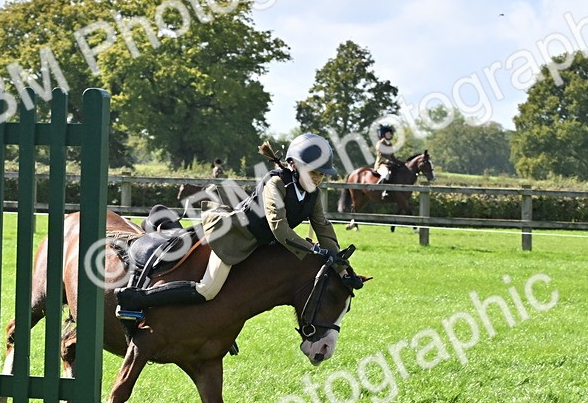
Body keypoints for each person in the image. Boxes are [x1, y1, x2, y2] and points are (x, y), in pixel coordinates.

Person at [116, 133, 343, 313]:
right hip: (234, 235)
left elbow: (322, 226)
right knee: (208, 289)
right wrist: (312, 249)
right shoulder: (276, 183)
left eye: (322, 175)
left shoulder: (312, 194)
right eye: (313, 172)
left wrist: (341, 266)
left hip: (262, 244)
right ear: (293, 165)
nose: (317, 179)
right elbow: (278, 226)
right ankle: (137, 298)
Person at [374, 124, 397, 200]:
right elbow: (381, 156)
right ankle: (383, 191)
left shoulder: (390, 144)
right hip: (381, 164)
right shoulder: (380, 143)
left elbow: (392, 157)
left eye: (390, 133)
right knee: (386, 174)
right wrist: (388, 161)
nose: (389, 135)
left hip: (389, 164)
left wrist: (401, 163)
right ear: (383, 134)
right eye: (388, 133)